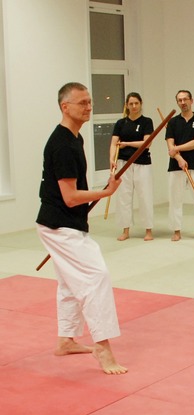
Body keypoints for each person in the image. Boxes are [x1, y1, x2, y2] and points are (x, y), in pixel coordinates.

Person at [35, 82, 127, 375]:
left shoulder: (75, 138)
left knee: (68, 283)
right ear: (65, 107)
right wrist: (106, 192)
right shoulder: (62, 144)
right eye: (82, 103)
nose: (89, 107)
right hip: (59, 226)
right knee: (95, 276)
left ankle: (66, 340)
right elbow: (71, 197)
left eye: (89, 101)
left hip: (63, 222)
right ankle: (102, 346)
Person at [165, 89, 194, 241]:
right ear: (177, 103)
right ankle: (176, 231)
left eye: (185, 99)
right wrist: (178, 158)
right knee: (175, 200)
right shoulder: (172, 122)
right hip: (176, 166)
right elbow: (169, 144)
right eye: (180, 100)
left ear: (191, 101)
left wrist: (176, 149)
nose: (183, 102)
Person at [110, 92, 154, 241]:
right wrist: (111, 159)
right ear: (127, 106)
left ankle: (148, 230)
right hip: (123, 163)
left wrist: (127, 143)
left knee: (145, 196)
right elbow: (114, 144)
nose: (134, 106)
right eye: (131, 104)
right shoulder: (120, 123)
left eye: (136, 103)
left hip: (142, 163)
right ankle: (125, 230)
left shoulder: (147, 122)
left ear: (141, 104)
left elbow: (147, 143)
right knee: (124, 196)